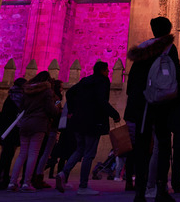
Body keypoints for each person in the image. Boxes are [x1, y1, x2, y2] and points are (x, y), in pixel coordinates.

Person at [125, 16, 180, 202]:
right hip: (162, 104)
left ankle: (140, 191)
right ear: (168, 29)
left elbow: (132, 81)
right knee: (163, 145)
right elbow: (176, 76)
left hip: (143, 104)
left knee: (142, 147)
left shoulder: (141, 50)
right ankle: (160, 190)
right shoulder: (169, 48)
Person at [56, 61, 121, 196]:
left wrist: (73, 110)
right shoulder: (103, 81)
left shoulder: (85, 81)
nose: (108, 72)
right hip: (93, 122)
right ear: (103, 71)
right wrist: (114, 114)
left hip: (78, 122)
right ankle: (83, 186)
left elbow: (69, 93)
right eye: (107, 70)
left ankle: (63, 173)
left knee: (79, 150)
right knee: (89, 154)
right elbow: (102, 101)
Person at [8, 70, 59, 192]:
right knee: (33, 154)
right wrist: (57, 109)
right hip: (38, 124)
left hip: (25, 124)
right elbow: (50, 109)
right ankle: (26, 183)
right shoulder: (46, 91)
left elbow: (22, 107)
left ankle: (12, 182)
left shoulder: (27, 91)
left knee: (22, 154)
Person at [0, 77, 26, 190]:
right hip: (10, 131)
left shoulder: (11, 97)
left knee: (7, 155)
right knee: (6, 155)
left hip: (8, 130)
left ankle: (3, 178)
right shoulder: (17, 99)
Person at [32, 78, 64, 189]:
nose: (62, 89)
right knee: (44, 154)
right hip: (51, 128)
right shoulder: (56, 98)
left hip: (46, 127)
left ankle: (34, 176)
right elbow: (56, 109)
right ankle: (38, 176)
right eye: (61, 87)